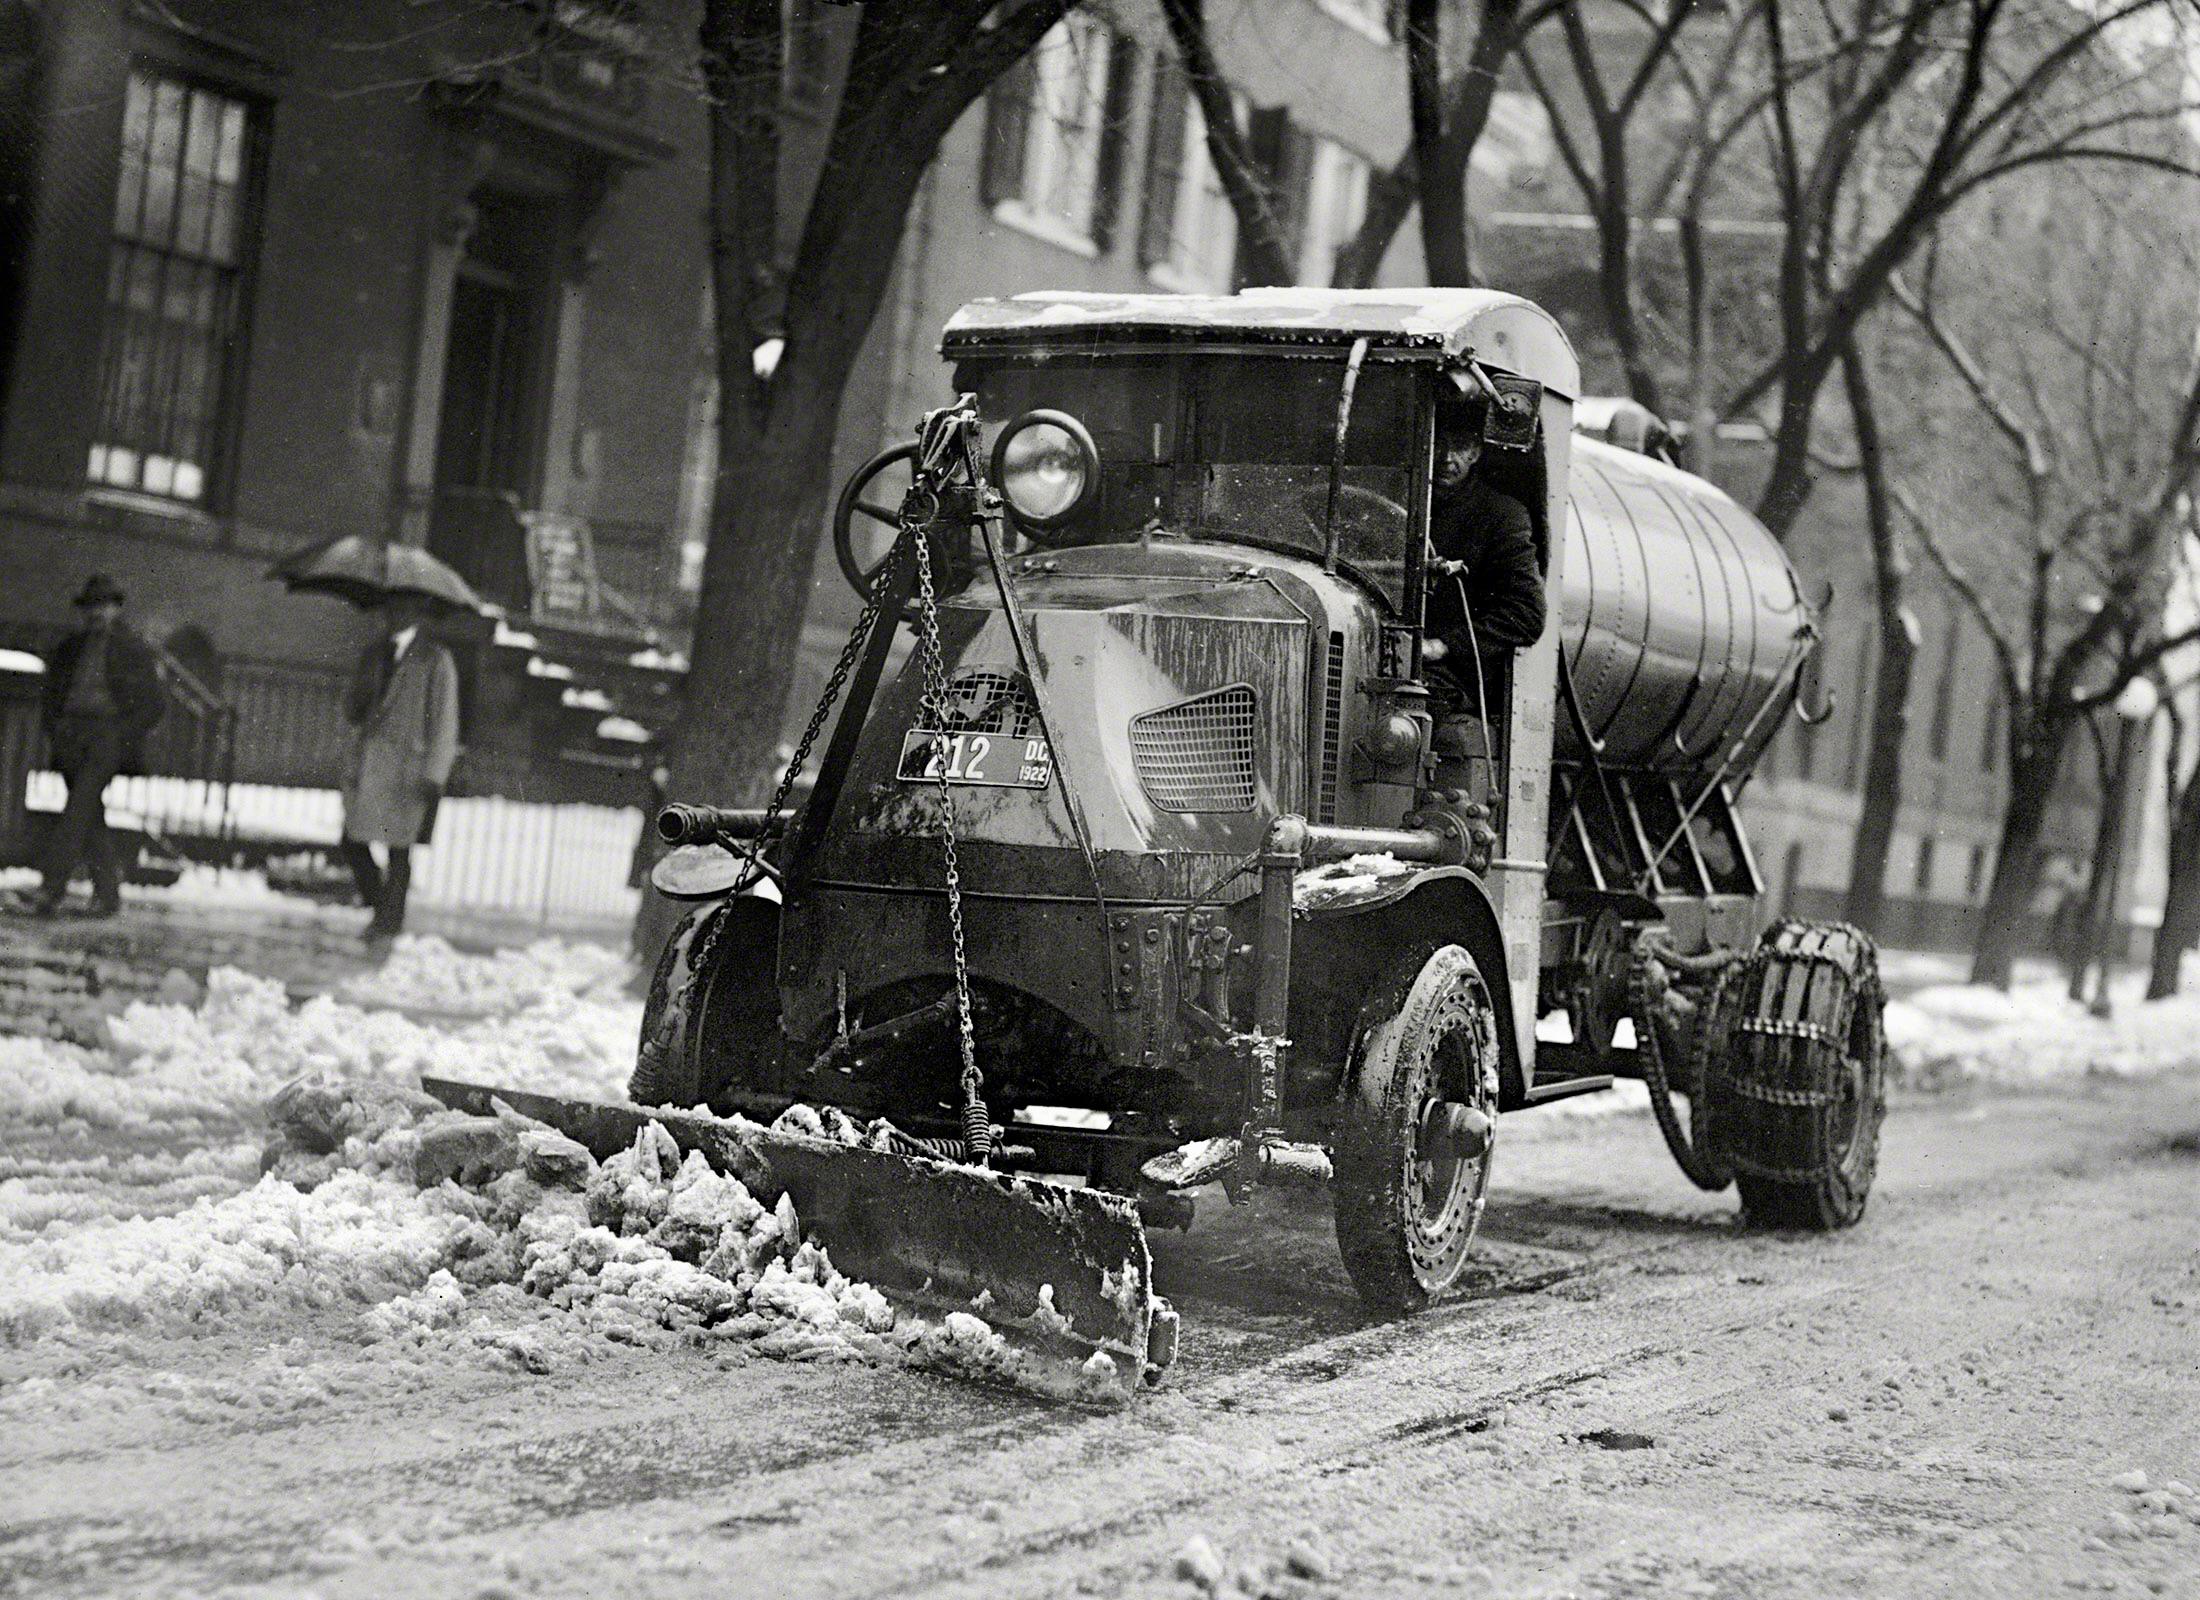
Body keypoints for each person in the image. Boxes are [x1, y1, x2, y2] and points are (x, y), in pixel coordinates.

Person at [21, 575, 167, 917]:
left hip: (106, 739)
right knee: (87, 815)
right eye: (91, 606)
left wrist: (122, 736)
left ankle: (51, 889)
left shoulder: (133, 649)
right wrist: (55, 729)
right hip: (72, 738)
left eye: (104, 606)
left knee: (76, 811)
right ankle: (107, 895)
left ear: (116, 608)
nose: (97, 613)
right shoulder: (70, 648)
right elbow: (52, 695)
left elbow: (153, 705)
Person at [1421, 394, 1544, 796]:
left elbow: (1527, 613)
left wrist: (1444, 645)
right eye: (1437, 442)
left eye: (1459, 447)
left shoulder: (1501, 516)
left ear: (1476, 452)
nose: (1445, 458)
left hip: (1453, 677)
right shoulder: (1393, 501)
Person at [340, 592, 460, 941]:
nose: (394, 615)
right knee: (351, 842)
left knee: (399, 850)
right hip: (372, 765)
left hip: (409, 769)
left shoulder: (436, 659)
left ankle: (388, 924)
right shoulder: (374, 654)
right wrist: (364, 685)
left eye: (403, 608)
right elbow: (354, 710)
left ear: (418, 613)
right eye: (390, 608)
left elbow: (445, 720)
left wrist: (434, 773)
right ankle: (382, 910)